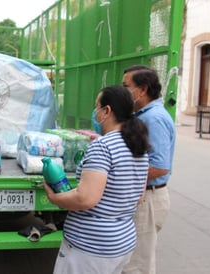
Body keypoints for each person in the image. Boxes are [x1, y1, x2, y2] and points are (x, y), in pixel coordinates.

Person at [44, 85, 150, 274]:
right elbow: (139, 197)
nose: (95, 112)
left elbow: (85, 199)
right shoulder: (138, 146)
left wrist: (55, 199)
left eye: (97, 107)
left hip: (91, 247)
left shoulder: (103, 146)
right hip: (122, 243)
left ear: (106, 111)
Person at [121, 65, 176, 274]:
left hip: (149, 199)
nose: (124, 90)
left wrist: (122, 175)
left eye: (127, 86)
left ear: (142, 89)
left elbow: (160, 166)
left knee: (137, 265)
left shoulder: (153, 118)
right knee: (131, 261)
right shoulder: (143, 115)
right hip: (144, 197)